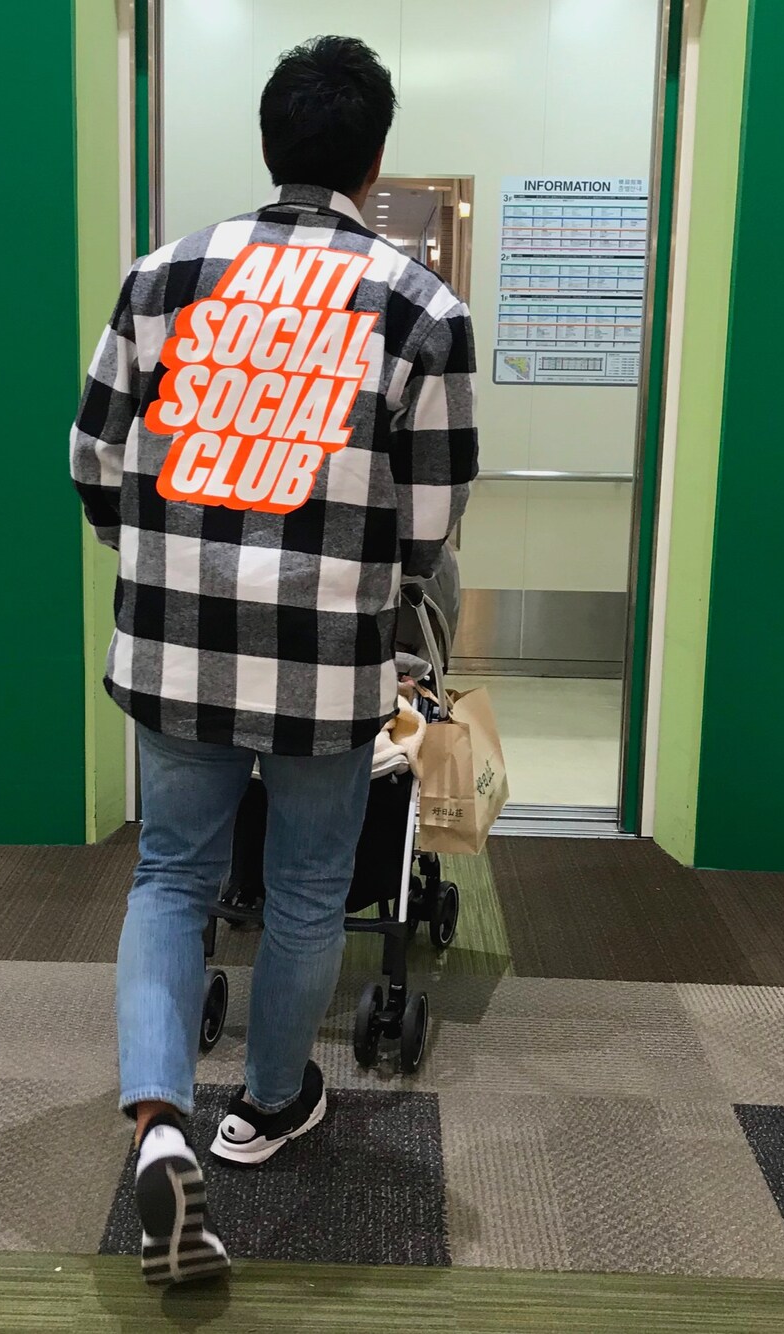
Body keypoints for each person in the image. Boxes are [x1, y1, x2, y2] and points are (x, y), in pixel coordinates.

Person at [70, 34, 478, 1286]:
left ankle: (158, 1122)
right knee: (306, 889)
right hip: (325, 662)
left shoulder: (161, 276)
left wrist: (166, 560)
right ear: (372, 159)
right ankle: (269, 1100)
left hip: (175, 651)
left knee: (171, 880)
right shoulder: (420, 307)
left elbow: (94, 461)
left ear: (268, 144)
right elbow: (429, 520)